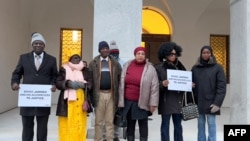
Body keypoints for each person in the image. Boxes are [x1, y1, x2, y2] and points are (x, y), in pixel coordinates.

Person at [11, 32, 58, 141]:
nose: (38, 45)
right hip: (27, 99)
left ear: (44, 45)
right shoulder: (24, 58)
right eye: (36, 43)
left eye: (40, 43)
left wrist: (54, 84)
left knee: (42, 128)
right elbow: (17, 73)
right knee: (27, 126)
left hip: (43, 99)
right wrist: (15, 83)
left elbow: (54, 75)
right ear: (32, 45)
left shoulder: (51, 60)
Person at [118, 46, 159, 141]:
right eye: (138, 54)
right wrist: (120, 101)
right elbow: (121, 83)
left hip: (142, 102)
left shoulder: (150, 68)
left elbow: (155, 87)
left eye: (142, 54)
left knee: (143, 126)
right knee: (130, 126)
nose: (140, 56)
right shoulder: (127, 65)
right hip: (128, 102)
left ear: (145, 56)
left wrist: (153, 103)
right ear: (135, 55)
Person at [88, 41, 122, 141]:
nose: (105, 50)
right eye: (103, 48)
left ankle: (109, 139)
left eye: (107, 48)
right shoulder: (93, 63)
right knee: (98, 122)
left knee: (109, 121)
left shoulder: (115, 63)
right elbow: (90, 80)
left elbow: (120, 79)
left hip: (111, 95)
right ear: (99, 50)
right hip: (99, 95)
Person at [191, 45, 226, 141]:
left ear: (211, 54)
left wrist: (217, 103)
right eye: (204, 53)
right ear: (201, 54)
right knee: (200, 124)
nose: (206, 54)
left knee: (211, 124)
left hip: (212, 102)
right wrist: (190, 85)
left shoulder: (218, 68)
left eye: (208, 53)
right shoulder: (195, 68)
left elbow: (222, 87)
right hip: (199, 102)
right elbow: (190, 83)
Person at [55, 54, 92, 141]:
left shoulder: (85, 70)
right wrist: (68, 83)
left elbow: (91, 82)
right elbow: (58, 82)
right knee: (67, 124)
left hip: (81, 99)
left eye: (78, 58)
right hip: (67, 102)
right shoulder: (64, 69)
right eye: (74, 58)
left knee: (80, 124)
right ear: (70, 59)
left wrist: (84, 85)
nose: (76, 59)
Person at [154, 42, 187, 141]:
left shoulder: (180, 66)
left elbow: (185, 80)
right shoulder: (159, 68)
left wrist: (189, 85)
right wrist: (162, 84)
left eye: (175, 54)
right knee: (165, 125)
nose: (173, 56)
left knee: (178, 126)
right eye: (171, 54)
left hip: (178, 100)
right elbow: (154, 85)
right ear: (165, 54)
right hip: (166, 100)